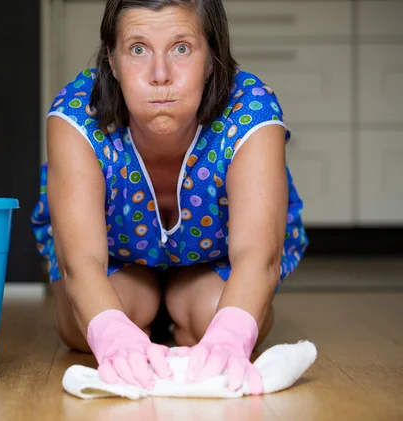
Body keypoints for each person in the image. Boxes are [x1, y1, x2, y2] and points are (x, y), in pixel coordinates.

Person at [31, 0, 308, 394]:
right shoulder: (76, 115)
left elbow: (257, 255)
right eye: (138, 49)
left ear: (211, 58)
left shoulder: (252, 111)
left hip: (210, 261)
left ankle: (180, 306)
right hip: (114, 260)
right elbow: (81, 261)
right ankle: (146, 310)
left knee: (214, 319)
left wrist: (230, 335)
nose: (160, 75)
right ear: (111, 60)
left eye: (181, 48)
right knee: (82, 330)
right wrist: (112, 334)